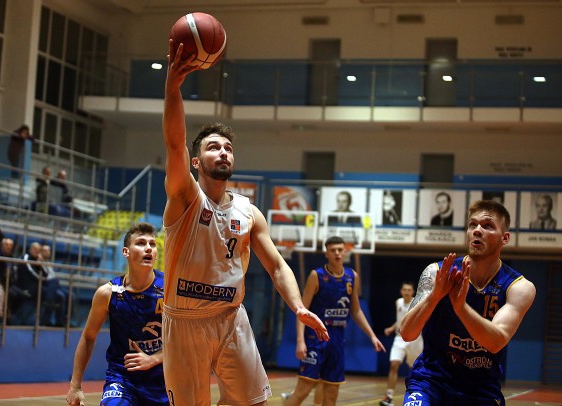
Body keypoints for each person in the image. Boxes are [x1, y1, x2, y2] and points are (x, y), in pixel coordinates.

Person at [161, 40, 329, 405]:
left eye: (228, 148)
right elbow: (174, 144)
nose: (223, 151)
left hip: (230, 316)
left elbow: (277, 266)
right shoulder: (185, 197)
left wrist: (298, 307)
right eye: (213, 147)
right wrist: (173, 88)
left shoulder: (249, 212)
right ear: (195, 162)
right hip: (184, 320)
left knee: (254, 403)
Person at [400, 200, 536, 405]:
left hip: (480, 389)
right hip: (431, 380)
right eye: (473, 224)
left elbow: (496, 342)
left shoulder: (518, 287)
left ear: (505, 238)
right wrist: (435, 296)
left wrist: (461, 308)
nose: (477, 230)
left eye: (487, 226)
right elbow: (407, 333)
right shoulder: (437, 273)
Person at [66, 222, 168, 406]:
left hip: (164, 378)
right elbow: (88, 337)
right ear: (125, 252)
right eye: (141, 243)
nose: (148, 248)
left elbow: (186, 338)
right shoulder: (108, 293)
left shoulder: (170, 288)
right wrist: (75, 386)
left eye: (152, 244)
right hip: (123, 377)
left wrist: (153, 359)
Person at [282, 236, 385, 406]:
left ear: (345, 251)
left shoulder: (352, 276)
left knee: (331, 395)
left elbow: (356, 311)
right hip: (315, 339)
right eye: (333, 250)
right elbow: (302, 310)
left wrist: (372, 336)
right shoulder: (317, 276)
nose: (337, 253)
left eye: (340, 249)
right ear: (326, 253)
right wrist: (300, 341)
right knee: (302, 392)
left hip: (337, 340)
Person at [379, 282, 423, 406]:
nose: (407, 292)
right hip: (399, 338)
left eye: (409, 290)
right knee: (394, 364)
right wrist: (392, 328)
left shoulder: (418, 302)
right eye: (405, 289)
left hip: (415, 338)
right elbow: (400, 320)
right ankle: (389, 396)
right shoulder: (398, 302)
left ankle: (415, 394)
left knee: (414, 369)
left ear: (413, 292)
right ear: (401, 291)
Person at [40, 244, 68, 327]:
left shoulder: (49, 263)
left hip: (53, 286)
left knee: (70, 295)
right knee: (59, 296)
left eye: (48, 250)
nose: (47, 252)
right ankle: (47, 320)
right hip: (46, 285)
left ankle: (65, 320)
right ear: (41, 252)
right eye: (45, 250)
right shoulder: (38, 262)